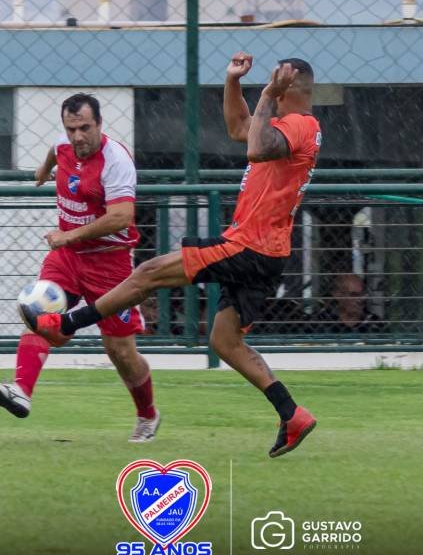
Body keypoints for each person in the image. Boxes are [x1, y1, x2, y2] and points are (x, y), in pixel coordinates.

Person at [24, 53, 320, 458]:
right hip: (265, 250)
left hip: (250, 245)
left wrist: (268, 93)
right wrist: (233, 82)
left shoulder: (301, 124)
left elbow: (255, 148)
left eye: (275, 81)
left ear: (290, 85)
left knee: (149, 273)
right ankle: (292, 414)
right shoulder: (287, 126)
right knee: (225, 341)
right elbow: (239, 128)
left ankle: (66, 324)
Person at [0, 93, 161, 443]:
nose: (78, 136)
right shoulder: (64, 144)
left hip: (110, 263)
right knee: (38, 309)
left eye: (85, 128)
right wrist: (42, 171)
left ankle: (147, 415)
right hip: (68, 257)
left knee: (120, 351)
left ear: (100, 124)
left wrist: (69, 234)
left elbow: (122, 217)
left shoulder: (116, 160)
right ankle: (21, 390)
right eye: (71, 129)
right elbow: (54, 150)